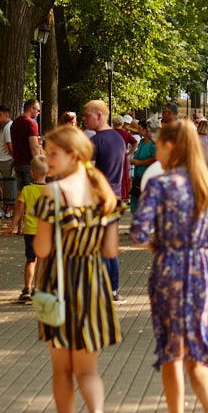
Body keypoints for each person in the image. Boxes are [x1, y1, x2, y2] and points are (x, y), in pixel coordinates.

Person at [130, 120, 208, 413]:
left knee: (171, 351)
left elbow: (138, 230)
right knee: (197, 351)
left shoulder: (160, 184)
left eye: (159, 144)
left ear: (171, 147)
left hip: (169, 270)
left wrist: (162, 244)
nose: (156, 149)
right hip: (204, 272)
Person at [32, 125, 121, 413]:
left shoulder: (52, 195)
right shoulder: (104, 194)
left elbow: (41, 248)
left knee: (61, 370)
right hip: (94, 285)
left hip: (61, 285)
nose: (46, 158)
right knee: (88, 370)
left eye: (52, 153)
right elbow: (111, 251)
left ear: (73, 155)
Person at [83, 99, 127, 303]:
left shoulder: (95, 141)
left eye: (87, 115)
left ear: (99, 115)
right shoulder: (119, 139)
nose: (84, 119)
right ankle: (113, 289)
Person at [9, 155, 48, 303]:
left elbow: (19, 211)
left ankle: (26, 288)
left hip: (30, 231)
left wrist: (11, 227)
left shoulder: (26, 190)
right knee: (41, 261)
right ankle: (37, 289)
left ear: (32, 172)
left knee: (30, 260)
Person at [11, 99, 43, 194]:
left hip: (18, 163)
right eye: (37, 110)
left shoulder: (15, 122)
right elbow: (34, 147)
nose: (38, 113)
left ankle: (19, 209)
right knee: (31, 193)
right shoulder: (31, 123)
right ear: (31, 108)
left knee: (20, 193)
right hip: (29, 164)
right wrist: (38, 164)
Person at [129, 120, 158, 215]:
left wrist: (139, 162)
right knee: (135, 200)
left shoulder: (152, 144)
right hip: (138, 176)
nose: (138, 130)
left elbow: (155, 159)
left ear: (146, 130)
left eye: (140, 129)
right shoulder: (141, 142)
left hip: (146, 177)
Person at [0, 104, 15, 187]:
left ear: (6, 115)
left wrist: (13, 158)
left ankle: (6, 200)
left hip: (6, 160)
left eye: (0, 114)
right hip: (1, 159)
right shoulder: (5, 127)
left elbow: (10, 146)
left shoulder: (8, 128)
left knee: (6, 185)